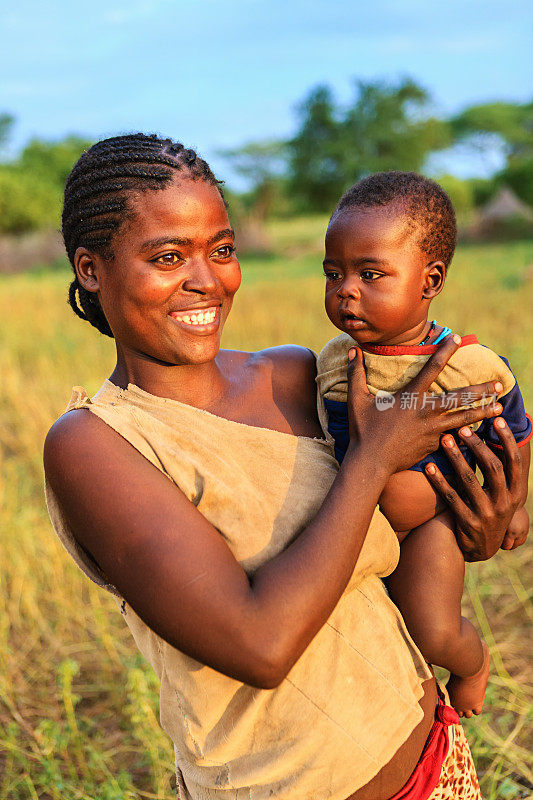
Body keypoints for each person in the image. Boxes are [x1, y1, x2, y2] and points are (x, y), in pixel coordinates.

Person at [43, 134, 522, 800]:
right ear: (91, 269)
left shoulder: (296, 374)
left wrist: (476, 521)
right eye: (167, 256)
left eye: (221, 250)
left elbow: (376, 550)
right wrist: (377, 457)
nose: (205, 279)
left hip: (434, 757)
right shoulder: (97, 443)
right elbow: (260, 647)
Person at [316, 171, 531, 720]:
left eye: (370, 274)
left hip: (431, 528)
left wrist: (516, 504)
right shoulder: (333, 366)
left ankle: (473, 661)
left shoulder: (469, 367)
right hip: (353, 526)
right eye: (333, 273)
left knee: (433, 630)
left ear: (429, 281)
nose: (346, 290)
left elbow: (517, 431)